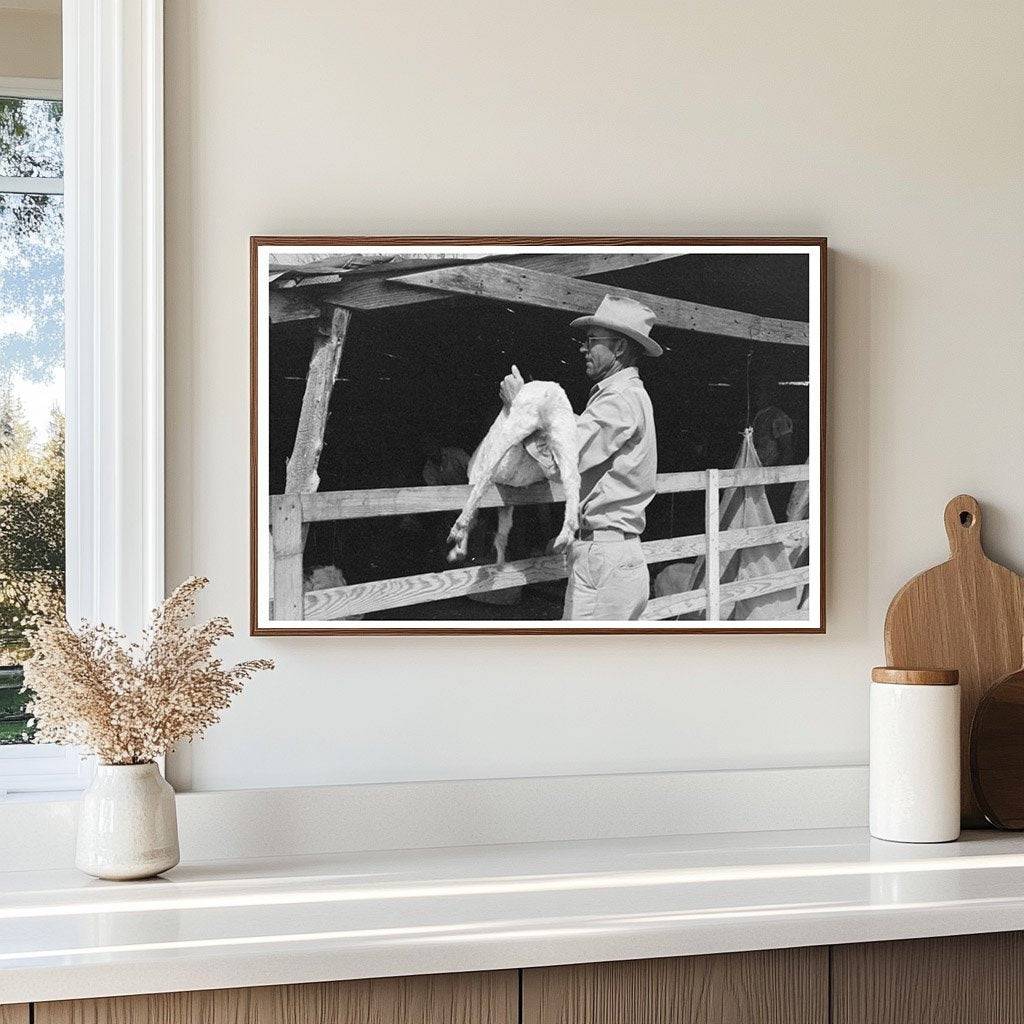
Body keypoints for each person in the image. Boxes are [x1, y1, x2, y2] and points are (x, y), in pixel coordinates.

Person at [499, 295, 661, 620]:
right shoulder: (622, 397)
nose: (583, 348)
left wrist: (524, 404)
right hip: (611, 554)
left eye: (591, 341)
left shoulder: (620, 399)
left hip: (604, 557)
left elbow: (566, 453)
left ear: (619, 348)